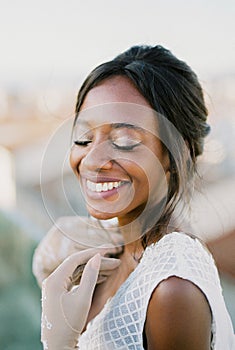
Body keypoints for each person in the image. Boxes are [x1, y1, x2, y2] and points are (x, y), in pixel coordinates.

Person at [36, 45, 235, 349]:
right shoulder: (109, 251)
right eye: (83, 138)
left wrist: (59, 344)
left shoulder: (172, 290)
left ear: (174, 154)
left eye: (125, 140)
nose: (92, 160)